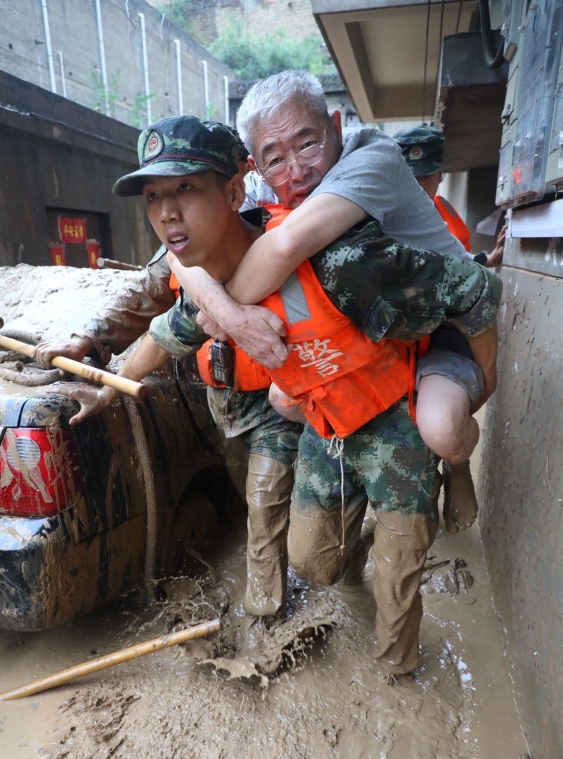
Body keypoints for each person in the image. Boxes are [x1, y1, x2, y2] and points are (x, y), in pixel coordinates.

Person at [57, 114, 500, 678]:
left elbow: (473, 286)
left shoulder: (339, 259)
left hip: (398, 419)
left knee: (398, 575)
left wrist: (483, 382)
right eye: (153, 197)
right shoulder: (206, 291)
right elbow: (162, 335)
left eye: (185, 190)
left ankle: (400, 675)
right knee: (313, 561)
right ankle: (372, 534)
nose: (167, 213)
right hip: (326, 426)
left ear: (236, 191)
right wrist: (106, 388)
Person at [167, 71, 494, 535]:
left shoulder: (371, 160)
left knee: (439, 427)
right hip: (370, 325)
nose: (295, 171)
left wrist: (217, 315)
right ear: (255, 167)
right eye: (275, 158)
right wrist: (230, 315)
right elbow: (175, 252)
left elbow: (282, 248)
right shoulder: (271, 179)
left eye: (307, 145)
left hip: (439, 319)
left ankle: (456, 460)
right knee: (285, 398)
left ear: (336, 128)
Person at [394, 124, 506, 268]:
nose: (418, 186)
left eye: (425, 177)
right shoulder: (381, 213)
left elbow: (451, 250)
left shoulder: (431, 218)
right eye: (410, 178)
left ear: (440, 175)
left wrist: (488, 259)